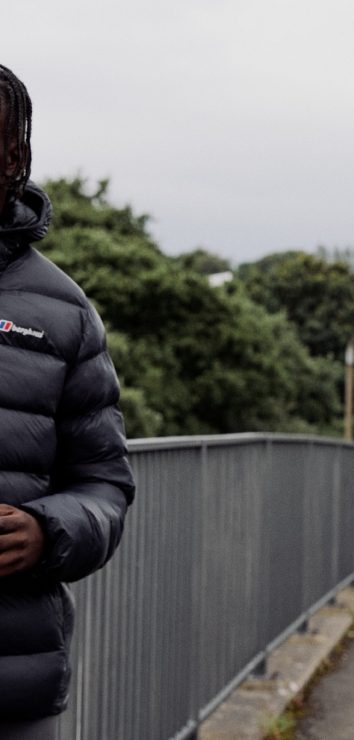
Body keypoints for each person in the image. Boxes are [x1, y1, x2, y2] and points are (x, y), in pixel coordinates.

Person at [0, 64, 135, 738]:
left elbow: (104, 485)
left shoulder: (64, 312)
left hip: (12, 680)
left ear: (13, 158)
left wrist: (46, 530)